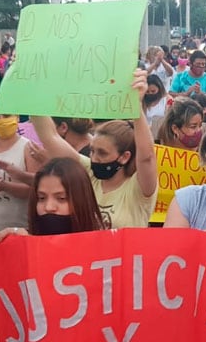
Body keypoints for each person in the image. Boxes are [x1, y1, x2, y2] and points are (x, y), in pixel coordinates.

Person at [31, 69, 158, 229]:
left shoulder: (138, 189)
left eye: (102, 153)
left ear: (124, 157)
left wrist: (137, 105)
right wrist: (31, 92)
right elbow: (51, 137)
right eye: (92, 150)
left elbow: (147, 157)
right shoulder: (89, 174)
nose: (94, 158)